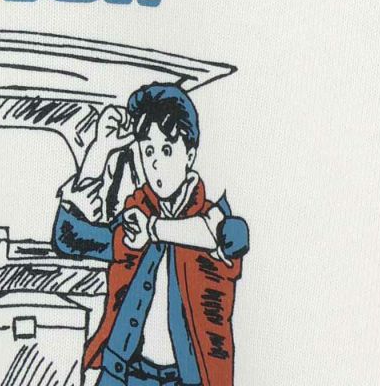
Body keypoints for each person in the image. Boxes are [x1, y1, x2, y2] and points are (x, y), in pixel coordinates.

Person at [52, 84, 248, 386]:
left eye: (167, 150)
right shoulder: (136, 214)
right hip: (124, 373)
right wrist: (99, 151)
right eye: (147, 151)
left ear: (189, 155)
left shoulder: (212, 218)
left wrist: (153, 230)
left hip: (190, 379)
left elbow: (231, 238)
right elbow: (68, 238)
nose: (155, 163)